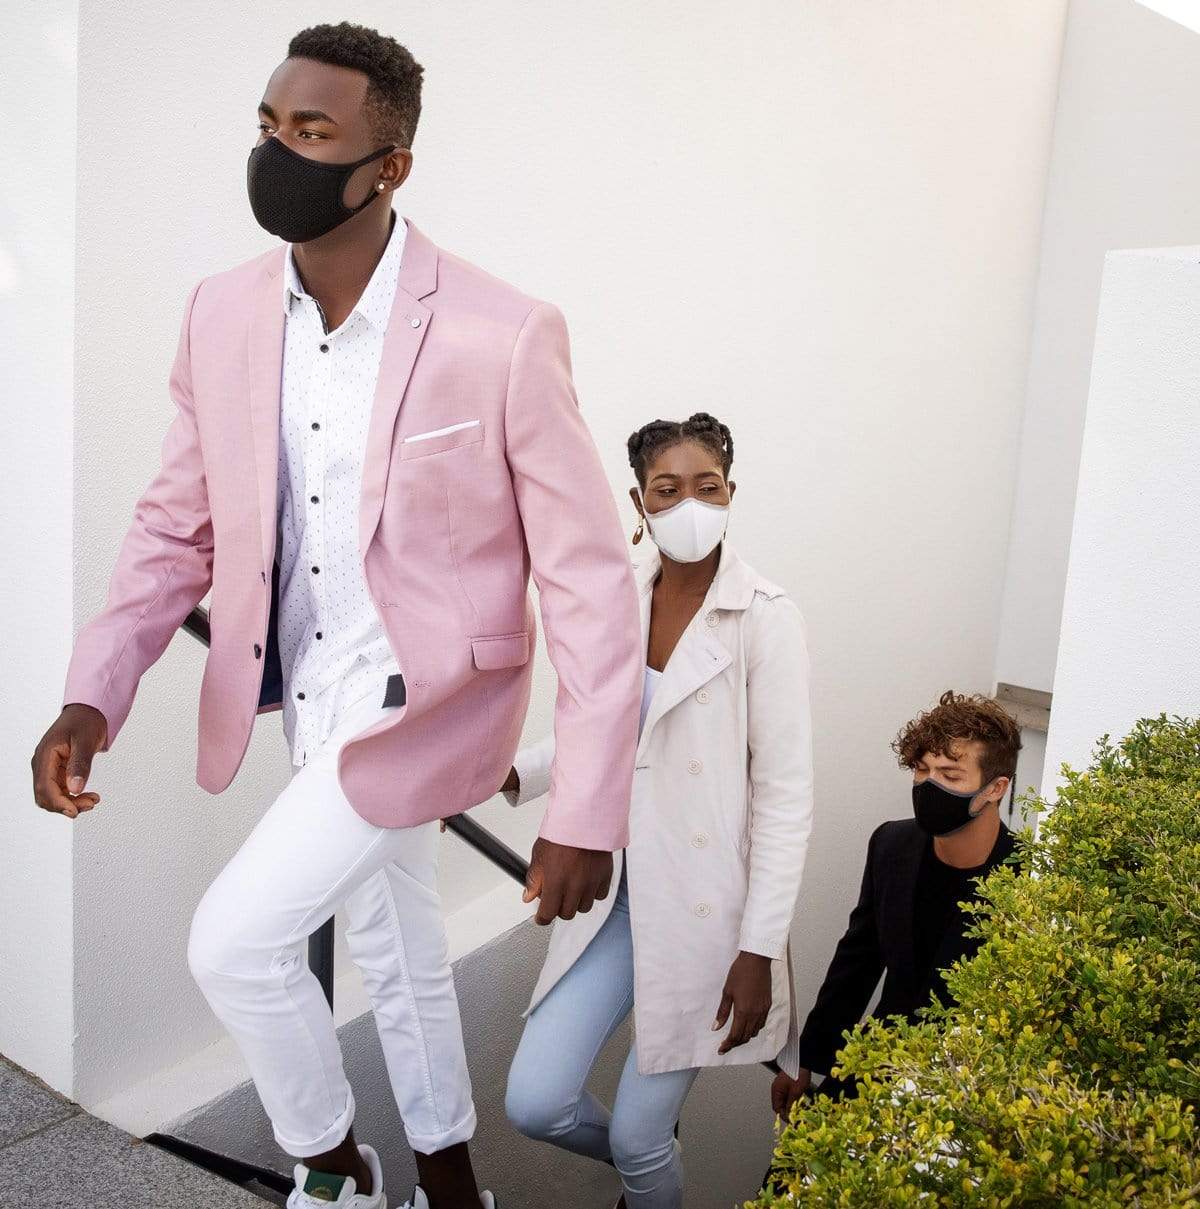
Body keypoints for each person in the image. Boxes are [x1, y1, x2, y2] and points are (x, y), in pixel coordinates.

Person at [30, 22, 643, 1209]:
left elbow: (587, 583)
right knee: (395, 940)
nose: (278, 152)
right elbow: (174, 525)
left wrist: (586, 809)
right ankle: (450, 1179)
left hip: (424, 705)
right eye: (269, 125)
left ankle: (332, 1165)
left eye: (313, 132)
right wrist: (95, 690)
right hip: (308, 692)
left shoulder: (503, 331)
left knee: (234, 942)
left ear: (388, 166)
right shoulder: (221, 311)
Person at [502, 413, 816, 1209]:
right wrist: (503, 772)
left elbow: (786, 801)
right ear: (639, 502)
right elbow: (597, 726)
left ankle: (648, 1175)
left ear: (730, 492)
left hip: (709, 915)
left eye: (707, 487)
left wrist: (757, 949)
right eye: (668, 490)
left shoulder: (764, 616)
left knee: (641, 1138)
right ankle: (649, 1169)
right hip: (615, 898)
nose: (689, 505)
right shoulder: (620, 597)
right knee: (535, 1101)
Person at [770, 690, 1022, 1118]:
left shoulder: (1026, 877)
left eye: (950, 775)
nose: (929, 786)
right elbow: (858, 959)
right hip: (879, 1058)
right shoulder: (892, 844)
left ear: (996, 788)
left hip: (964, 1086)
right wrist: (806, 1058)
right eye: (922, 770)